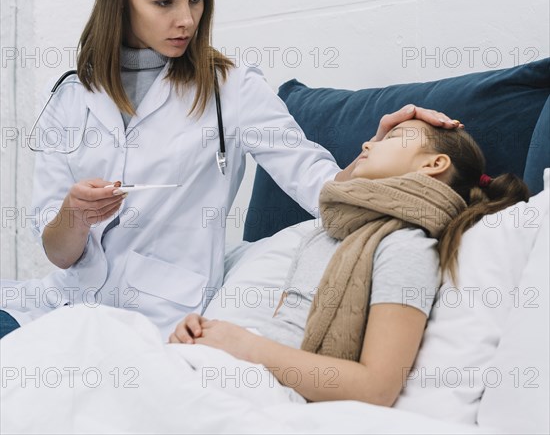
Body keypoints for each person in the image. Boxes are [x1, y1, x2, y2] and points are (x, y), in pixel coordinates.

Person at [0, 0, 461, 340]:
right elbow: (58, 252)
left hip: (158, 319)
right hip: (60, 304)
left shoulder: (231, 89)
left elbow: (318, 185)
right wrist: (74, 217)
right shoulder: (70, 96)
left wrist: (372, 154)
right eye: (164, 2)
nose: (186, 20)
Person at [168, 119, 529, 406]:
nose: (368, 143)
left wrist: (242, 345)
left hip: (261, 389)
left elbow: (377, 387)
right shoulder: (325, 235)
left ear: (434, 164)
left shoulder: (405, 248)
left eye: (394, 137)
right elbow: (282, 332)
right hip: (233, 372)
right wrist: (204, 334)